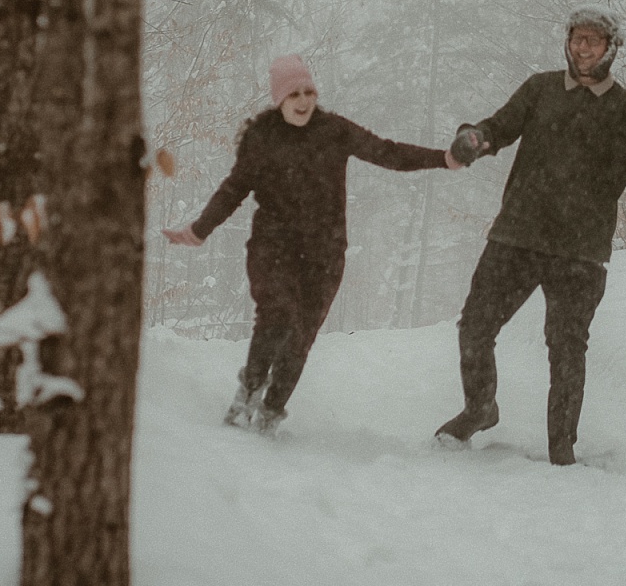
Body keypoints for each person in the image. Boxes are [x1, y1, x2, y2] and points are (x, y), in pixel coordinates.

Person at [438, 6, 626, 465]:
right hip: (518, 234)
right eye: (578, 38)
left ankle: (562, 448)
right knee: (476, 327)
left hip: (580, 247)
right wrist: (475, 139)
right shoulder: (540, 90)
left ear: (610, 49)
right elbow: (499, 126)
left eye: (593, 41)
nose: (583, 48)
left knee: (566, 348)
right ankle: (480, 408)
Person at [164, 54, 461, 435]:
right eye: (293, 94)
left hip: (324, 256)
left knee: (299, 338)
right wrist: (200, 230)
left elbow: (387, 152)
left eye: (309, 92)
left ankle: (270, 413)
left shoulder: (333, 130)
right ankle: (248, 393)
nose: (303, 101)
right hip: (273, 248)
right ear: (279, 100)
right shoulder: (262, 137)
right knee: (278, 315)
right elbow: (234, 188)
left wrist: (443, 158)